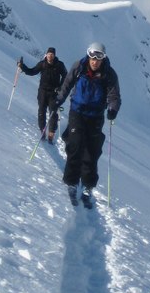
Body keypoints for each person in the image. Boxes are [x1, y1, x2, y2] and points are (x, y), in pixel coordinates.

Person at [55, 42, 121, 205]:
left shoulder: (109, 73)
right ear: (88, 55)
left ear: (103, 58)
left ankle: (88, 186)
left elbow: (114, 95)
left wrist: (113, 109)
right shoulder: (79, 67)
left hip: (96, 116)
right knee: (75, 146)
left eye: (99, 57)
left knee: (92, 152)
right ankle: (71, 182)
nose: (95, 61)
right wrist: (58, 100)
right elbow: (67, 84)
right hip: (77, 112)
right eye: (93, 56)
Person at [18, 47, 68, 143]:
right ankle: (42, 130)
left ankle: (51, 133)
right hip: (42, 92)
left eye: (52, 54)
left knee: (53, 113)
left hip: (54, 93)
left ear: (54, 55)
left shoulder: (59, 65)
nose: (50, 55)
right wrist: (22, 66)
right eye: (49, 54)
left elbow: (65, 75)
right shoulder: (42, 64)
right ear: (46, 54)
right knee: (41, 111)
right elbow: (32, 71)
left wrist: (60, 87)